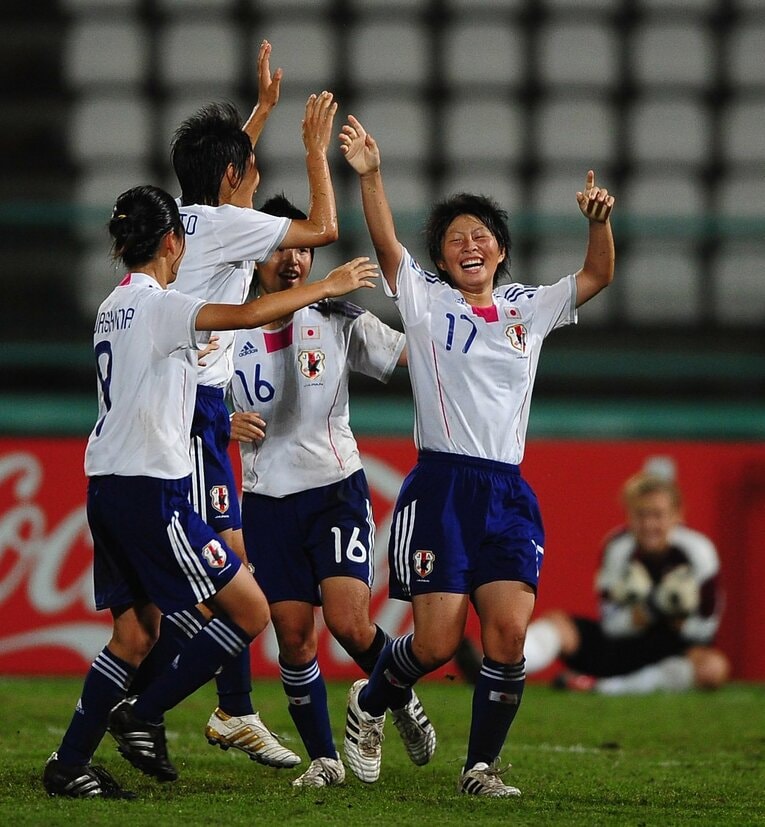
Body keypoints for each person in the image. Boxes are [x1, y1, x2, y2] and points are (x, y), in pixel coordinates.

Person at [42, 184, 378, 798]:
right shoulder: (165, 305)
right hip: (152, 490)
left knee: (136, 633)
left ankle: (69, 764)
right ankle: (145, 714)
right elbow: (248, 314)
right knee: (249, 609)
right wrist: (327, 287)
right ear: (172, 242)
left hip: (107, 487)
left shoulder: (109, 307)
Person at [338, 114, 615, 797]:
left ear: (499, 251)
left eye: (480, 236)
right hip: (441, 486)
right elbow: (384, 240)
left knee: (509, 637)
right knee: (433, 646)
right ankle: (371, 702)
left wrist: (598, 220)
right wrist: (371, 175)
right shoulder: (427, 302)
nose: (469, 244)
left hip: (506, 492)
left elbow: (596, 274)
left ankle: (479, 768)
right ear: (439, 259)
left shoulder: (528, 306)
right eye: (455, 239)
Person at [130, 43, 342, 767]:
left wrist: (260, 114)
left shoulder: (190, 218)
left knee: (201, 582)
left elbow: (223, 182)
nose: (256, 174)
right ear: (232, 177)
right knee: (221, 580)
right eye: (248, 167)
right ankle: (170, 711)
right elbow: (320, 229)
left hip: (193, 407)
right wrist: (315, 150)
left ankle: (226, 707)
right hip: (191, 412)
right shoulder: (226, 225)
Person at [228, 193, 435, 788]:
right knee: (293, 637)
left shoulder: (336, 314)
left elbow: (409, 357)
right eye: (277, 250)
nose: (292, 260)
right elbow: (188, 393)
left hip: (334, 490)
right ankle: (324, 760)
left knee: (350, 623)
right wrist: (220, 420)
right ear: (254, 256)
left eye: (301, 247)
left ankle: (396, 698)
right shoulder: (222, 322)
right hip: (267, 499)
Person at [523, 469, 730, 695]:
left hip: (674, 649)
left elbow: (705, 628)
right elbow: (611, 624)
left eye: (658, 515)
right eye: (641, 515)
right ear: (629, 515)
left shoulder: (698, 551)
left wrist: (677, 618)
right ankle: (502, 666)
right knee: (558, 624)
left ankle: (604, 687)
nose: (649, 524)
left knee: (714, 668)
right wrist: (651, 609)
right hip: (623, 648)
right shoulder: (618, 546)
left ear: (676, 515)